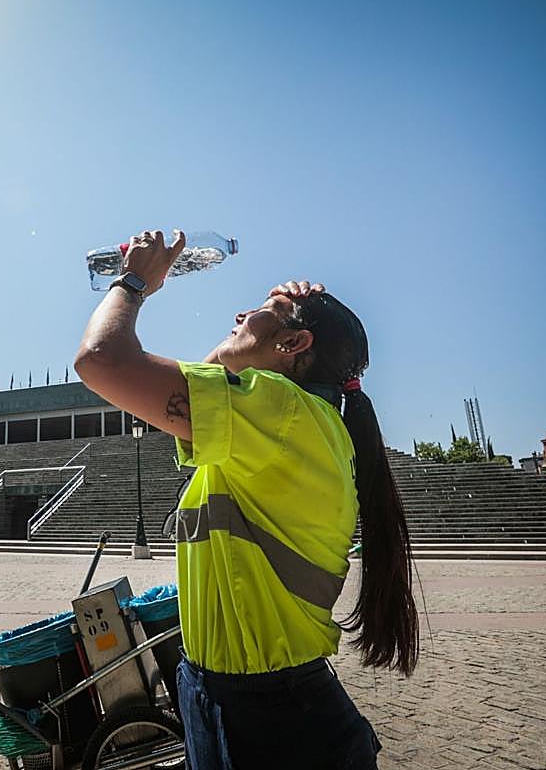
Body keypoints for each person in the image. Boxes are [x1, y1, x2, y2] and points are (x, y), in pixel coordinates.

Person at [75, 230, 418, 770]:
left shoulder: (281, 413)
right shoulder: (278, 424)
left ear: (295, 345)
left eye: (261, 309)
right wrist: (271, 321)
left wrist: (135, 281)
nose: (241, 313)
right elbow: (189, 388)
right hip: (229, 698)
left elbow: (101, 360)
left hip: (275, 721)